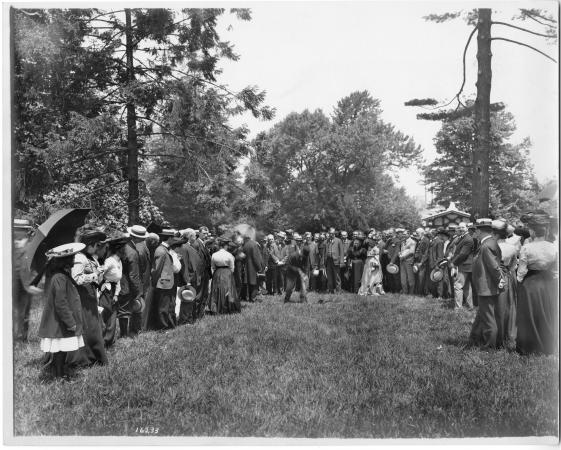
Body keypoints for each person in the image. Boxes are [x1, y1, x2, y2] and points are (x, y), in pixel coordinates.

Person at [38, 243, 86, 379]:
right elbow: (61, 303)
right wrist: (70, 322)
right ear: (65, 260)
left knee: (62, 350)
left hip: (61, 322)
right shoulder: (59, 277)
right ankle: (59, 375)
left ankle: (61, 372)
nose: (74, 260)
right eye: (72, 258)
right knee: (59, 350)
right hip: (59, 323)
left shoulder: (63, 275)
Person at [515, 211, 558, 355]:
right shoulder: (554, 247)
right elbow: (556, 270)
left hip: (531, 283)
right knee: (547, 313)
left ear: (532, 231)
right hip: (548, 282)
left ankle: (529, 347)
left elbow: (521, 272)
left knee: (529, 314)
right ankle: (548, 346)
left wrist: (518, 282)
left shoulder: (527, 247)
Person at [69, 227, 108, 366]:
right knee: (88, 327)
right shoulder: (80, 257)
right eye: (96, 245)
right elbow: (76, 278)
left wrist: (98, 272)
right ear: (89, 244)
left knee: (93, 327)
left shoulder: (89, 257)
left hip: (90, 296)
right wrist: (94, 275)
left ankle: (94, 355)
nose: (97, 248)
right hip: (82, 297)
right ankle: (85, 358)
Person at [469, 219, 506, 350]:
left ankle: (489, 346)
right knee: (485, 315)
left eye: (476, 231)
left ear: (479, 231)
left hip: (487, 287)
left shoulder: (486, 246)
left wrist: (500, 281)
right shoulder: (490, 243)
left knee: (488, 318)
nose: (475, 233)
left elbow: (494, 267)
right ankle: (476, 339)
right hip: (488, 286)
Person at [13, 219, 39, 342]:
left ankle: (22, 337)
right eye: (15, 229)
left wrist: (33, 281)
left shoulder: (30, 246)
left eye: (21, 229)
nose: (18, 232)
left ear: (26, 231)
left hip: (26, 282)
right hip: (12, 281)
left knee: (24, 310)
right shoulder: (7, 243)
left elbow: (34, 266)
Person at [99, 234, 128, 347]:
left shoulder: (119, 261)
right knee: (105, 313)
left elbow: (118, 280)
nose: (126, 250)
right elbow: (100, 274)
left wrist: (116, 294)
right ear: (119, 249)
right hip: (105, 291)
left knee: (112, 315)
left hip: (113, 291)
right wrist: (101, 288)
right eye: (124, 248)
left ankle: (109, 341)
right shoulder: (110, 261)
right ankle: (101, 341)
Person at [146, 229, 177, 331]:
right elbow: (156, 269)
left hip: (166, 282)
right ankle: (162, 328)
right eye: (173, 238)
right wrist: (155, 282)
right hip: (163, 283)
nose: (174, 240)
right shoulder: (161, 250)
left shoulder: (164, 249)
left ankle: (166, 325)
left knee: (166, 305)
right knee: (163, 307)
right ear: (169, 238)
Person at [117, 232, 143, 338]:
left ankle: (123, 333)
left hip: (120, 283)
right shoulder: (132, 252)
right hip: (126, 285)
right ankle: (125, 335)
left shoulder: (124, 247)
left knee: (122, 310)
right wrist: (137, 291)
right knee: (125, 310)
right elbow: (133, 275)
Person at [176, 229, 203, 325]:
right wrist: (186, 280)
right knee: (187, 299)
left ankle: (188, 318)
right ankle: (184, 320)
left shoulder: (188, 246)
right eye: (194, 236)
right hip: (190, 278)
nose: (195, 237)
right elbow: (185, 265)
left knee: (190, 299)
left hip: (193, 277)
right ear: (189, 237)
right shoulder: (184, 247)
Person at [128, 225, 151, 333]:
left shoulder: (137, 246)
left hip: (141, 281)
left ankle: (137, 328)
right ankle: (136, 329)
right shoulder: (138, 248)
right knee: (138, 305)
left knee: (138, 305)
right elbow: (137, 270)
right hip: (139, 281)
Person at [209, 237, 240, 314]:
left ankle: (216, 307)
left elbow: (212, 266)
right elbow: (232, 267)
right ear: (226, 246)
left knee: (217, 290)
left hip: (217, 272)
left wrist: (215, 273)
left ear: (220, 246)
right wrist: (229, 273)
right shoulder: (229, 255)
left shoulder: (214, 255)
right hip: (227, 273)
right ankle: (228, 306)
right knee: (228, 289)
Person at [448, 222, 474, 310]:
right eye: (459, 228)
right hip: (465, 265)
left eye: (463, 227)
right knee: (466, 286)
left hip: (463, 265)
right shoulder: (463, 238)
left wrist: (453, 263)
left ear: (467, 228)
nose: (461, 229)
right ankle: (469, 306)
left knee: (458, 286)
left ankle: (458, 308)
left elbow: (463, 254)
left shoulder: (467, 239)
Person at [284, 233, 310, 303]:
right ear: (301, 253)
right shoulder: (293, 256)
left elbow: (306, 265)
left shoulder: (305, 256)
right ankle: (286, 299)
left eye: (305, 257)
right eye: (303, 256)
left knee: (304, 285)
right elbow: (288, 265)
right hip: (291, 272)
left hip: (300, 271)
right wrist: (296, 269)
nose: (304, 258)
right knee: (289, 287)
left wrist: (305, 275)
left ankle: (303, 299)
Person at [242, 231, 265, 302]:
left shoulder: (245, 245)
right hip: (253, 267)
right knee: (255, 283)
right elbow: (256, 258)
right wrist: (259, 268)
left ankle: (249, 297)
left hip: (247, 266)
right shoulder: (253, 244)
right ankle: (253, 298)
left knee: (250, 283)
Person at [428, 228, 447, 299]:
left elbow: (440, 255)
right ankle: (434, 294)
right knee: (433, 279)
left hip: (437, 264)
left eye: (431, 233)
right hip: (432, 263)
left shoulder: (439, 241)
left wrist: (437, 265)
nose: (430, 235)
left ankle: (440, 296)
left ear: (434, 234)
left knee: (439, 280)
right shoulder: (433, 241)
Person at [325, 228, 344, 294]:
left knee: (337, 277)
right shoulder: (327, 241)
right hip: (328, 261)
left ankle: (338, 290)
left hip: (336, 261)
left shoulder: (338, 240)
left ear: (334, 233)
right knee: (329, 277)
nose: (331, 234)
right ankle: (331, 290)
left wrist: (341, 262)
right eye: (330, 233)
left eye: (332, 233)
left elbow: (341, 252)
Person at [398, 230, 416, 295]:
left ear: (409, 234)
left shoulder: (412, 242)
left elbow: (412, 252)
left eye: (405, 234)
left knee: (410, 278)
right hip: (402, 261)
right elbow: (402, 250)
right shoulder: (403, 242)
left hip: (409, 261)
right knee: (403, 277)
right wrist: (399, 254)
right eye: (403, 234)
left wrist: (403, 256)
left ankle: (411, 292)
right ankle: (405, 291)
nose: (403, 235)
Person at [413, 228, 430, 296]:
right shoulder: (419, 240)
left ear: (422, 233)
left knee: (421, 278)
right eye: (416, 233)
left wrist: (421, 262)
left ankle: (422, 293)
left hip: (422, 263)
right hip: (417, 261)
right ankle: (418, 292)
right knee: (418, 278)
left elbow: (426, 253)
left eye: (418, 233)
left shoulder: (426, 240)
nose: (416, 234)